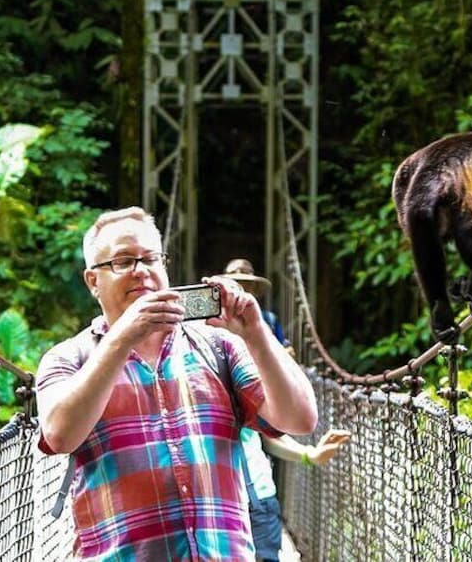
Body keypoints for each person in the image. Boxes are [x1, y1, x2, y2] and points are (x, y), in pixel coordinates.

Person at [35, 207, 318, 561]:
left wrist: (257, 335)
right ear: (93, 281)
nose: (141, 271)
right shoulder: (69, 359)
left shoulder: (220, 346)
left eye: (150, 258)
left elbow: (302, 420)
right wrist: (122, 338)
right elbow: (61, 434)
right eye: (123, 261)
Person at [220, 258, 352, 562]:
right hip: (218, 507)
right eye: (233, 284)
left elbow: (269, 430)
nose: (240, 290)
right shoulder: (204, 346)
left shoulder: (264, 320)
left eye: (246, 285)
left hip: (258, 499)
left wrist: (310, 454)